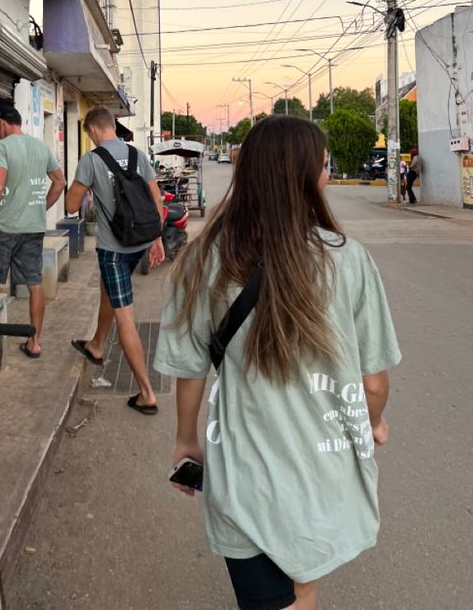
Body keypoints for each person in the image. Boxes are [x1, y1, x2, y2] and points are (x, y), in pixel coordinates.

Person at [154, 115, 401, 610]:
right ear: (309, 178)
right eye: (325, 166)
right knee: (302, 584)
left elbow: (189, 370)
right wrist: (373, 425)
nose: (328, 175)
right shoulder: (348, 260)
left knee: (284, 595)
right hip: (322, 473)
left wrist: (186, 439)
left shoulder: (204, 259)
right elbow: (374, 383)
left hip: (245, 480)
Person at [66, 105, 166, 415]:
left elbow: (71, 205)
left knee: (125, 316)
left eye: (89, 134)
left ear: (93, 130)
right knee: (109, 291)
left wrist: (89, 188)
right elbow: (155, 198)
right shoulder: (138, 155)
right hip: (139, 242)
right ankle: (96, 345)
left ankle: (147, 392)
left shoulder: (91, 160)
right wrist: (158, 238)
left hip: (114, 250)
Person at [0, 103, 66, 359]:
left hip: (4, 228)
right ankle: (34, 342)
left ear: (2, 123)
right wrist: (41, 207)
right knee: (34, 283)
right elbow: (60, 182)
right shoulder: (40, 146)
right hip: (33, 229)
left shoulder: (3, 147)